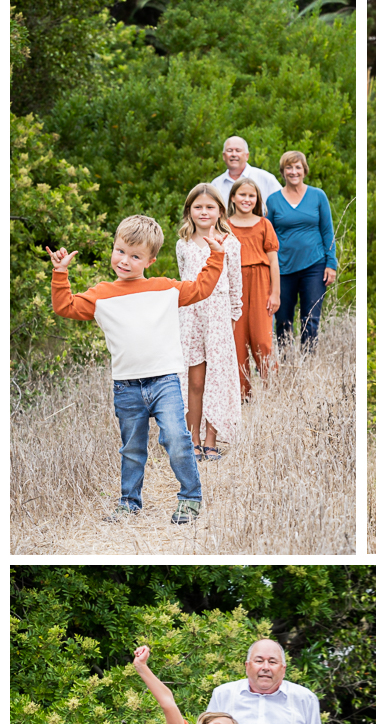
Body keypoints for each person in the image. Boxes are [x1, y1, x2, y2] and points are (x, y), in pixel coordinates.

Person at [47, 214, 226, 524]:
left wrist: (217, 256)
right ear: (113, 249)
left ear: (151, 260)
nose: (125, 261)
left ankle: (190, 498)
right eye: (120, 251)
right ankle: (129, 503)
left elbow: (201, 288)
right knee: (132, 448)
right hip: (126, 386)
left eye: (135, 256)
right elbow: (66, 306)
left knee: (176, 438)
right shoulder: (101, 294)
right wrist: (60, 273)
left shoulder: (165, 289)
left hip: (164, 381)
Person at [176, 184, 244, 460]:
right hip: (191, 316)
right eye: (198, 207)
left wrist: (233, 316)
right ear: (189, 211)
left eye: (209, 207)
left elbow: (235, 285)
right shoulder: (183, 243)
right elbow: (183, 281)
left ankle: (211, 440)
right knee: (194, 380)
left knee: (216, 378)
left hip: (218, 315)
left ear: (220, 211)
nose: (204, 212)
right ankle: (191, 438)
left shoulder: (231, 243)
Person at [266, 151, 337, 353]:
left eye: (298, 167)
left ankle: (307, 365)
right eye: (289, 167)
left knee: (311, 318)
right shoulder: (273, 201)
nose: (293, 171)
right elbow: (268, 236)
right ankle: (287, 364)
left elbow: (327, 231)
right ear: (283, 172)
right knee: (283, 319)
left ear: (304, 170)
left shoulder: (318, 196)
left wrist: (331, 263)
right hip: (283, 268)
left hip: (314, 265)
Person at [227, 178, 281, 399]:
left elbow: (274, 262)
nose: (247, 199)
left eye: (251, 196)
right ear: (232, 197)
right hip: (234, 283)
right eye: (242, 195)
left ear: (257, 199)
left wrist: (275, 293)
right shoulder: (224, 225)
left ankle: (272, 393)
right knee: (237, 341)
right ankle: (242, 396)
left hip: (260, 282)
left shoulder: (264, 224)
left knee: (262, 340)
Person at [211, 135, 282, 210]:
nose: (234, 154)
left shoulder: (266, 179)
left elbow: (282, 205)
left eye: (238, 150)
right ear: (224, 156)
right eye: (229, 150)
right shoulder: (216, 184)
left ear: (246, 156)